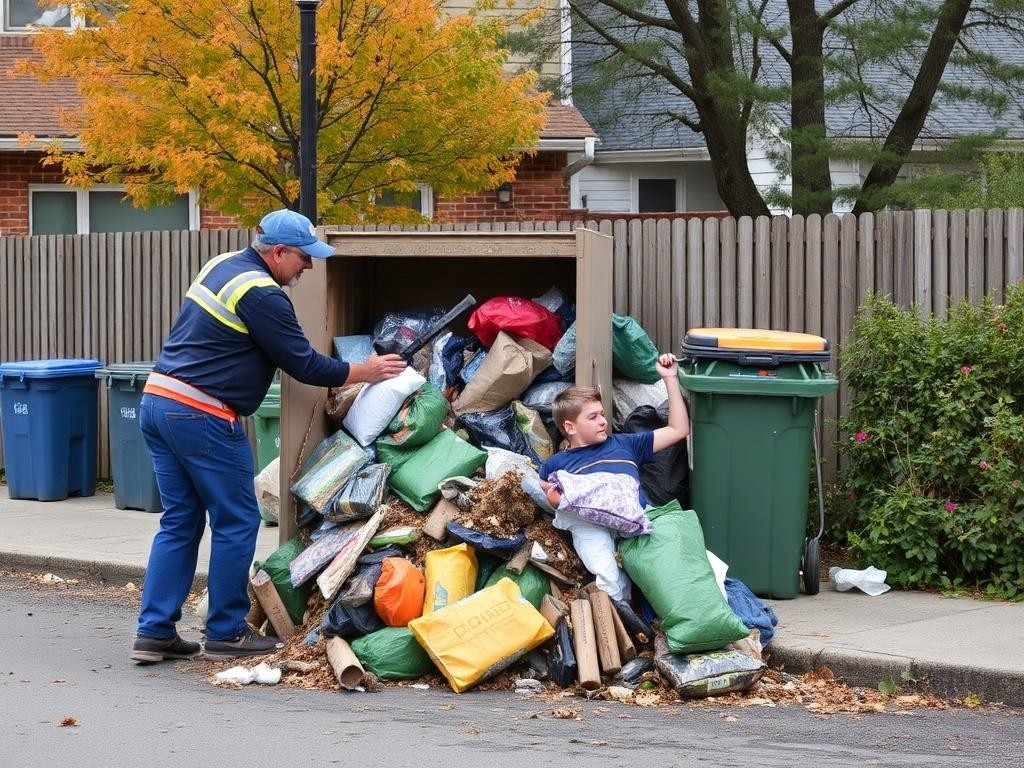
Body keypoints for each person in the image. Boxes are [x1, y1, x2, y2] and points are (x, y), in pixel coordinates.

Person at [131, 209, 406, 664]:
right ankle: (226, 633)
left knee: (180, 520)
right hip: (201, 415)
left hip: (159, 401)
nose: (309, 267)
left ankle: (154, 632)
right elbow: (303, 364)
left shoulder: (220, 265)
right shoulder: (263, 293)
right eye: (303, 257)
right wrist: (367, 371)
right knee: (238, 519)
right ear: (277, 252)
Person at [539, 353, 689, 601]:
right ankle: (627, 627)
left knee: (675, 565)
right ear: (570, 427)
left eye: (602, 414)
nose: (602, 422)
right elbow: (553, 499)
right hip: (589, 525)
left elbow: (678, 430)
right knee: (608, 577)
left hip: (635, 517)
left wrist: (670, 379)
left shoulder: (624, 444)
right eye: (593, 417)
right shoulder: (556, 464)